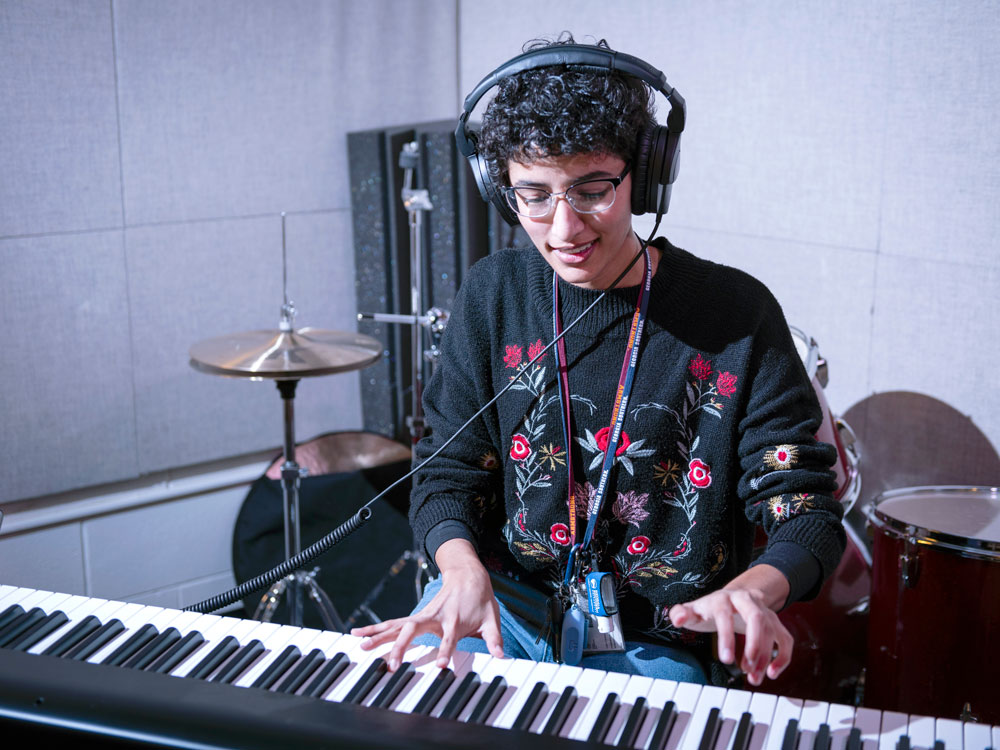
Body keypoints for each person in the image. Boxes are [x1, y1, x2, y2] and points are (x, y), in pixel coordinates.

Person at [353, 34, 845, 687]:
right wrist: (461, 568)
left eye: (591, 190)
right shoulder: (493, 294)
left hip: (662, 638)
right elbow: (446, 472)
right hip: (503, 612)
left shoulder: (736, 313)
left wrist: (756, 588)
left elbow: (805, 506)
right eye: (534, 194)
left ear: (643, 176)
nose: (564, 228)